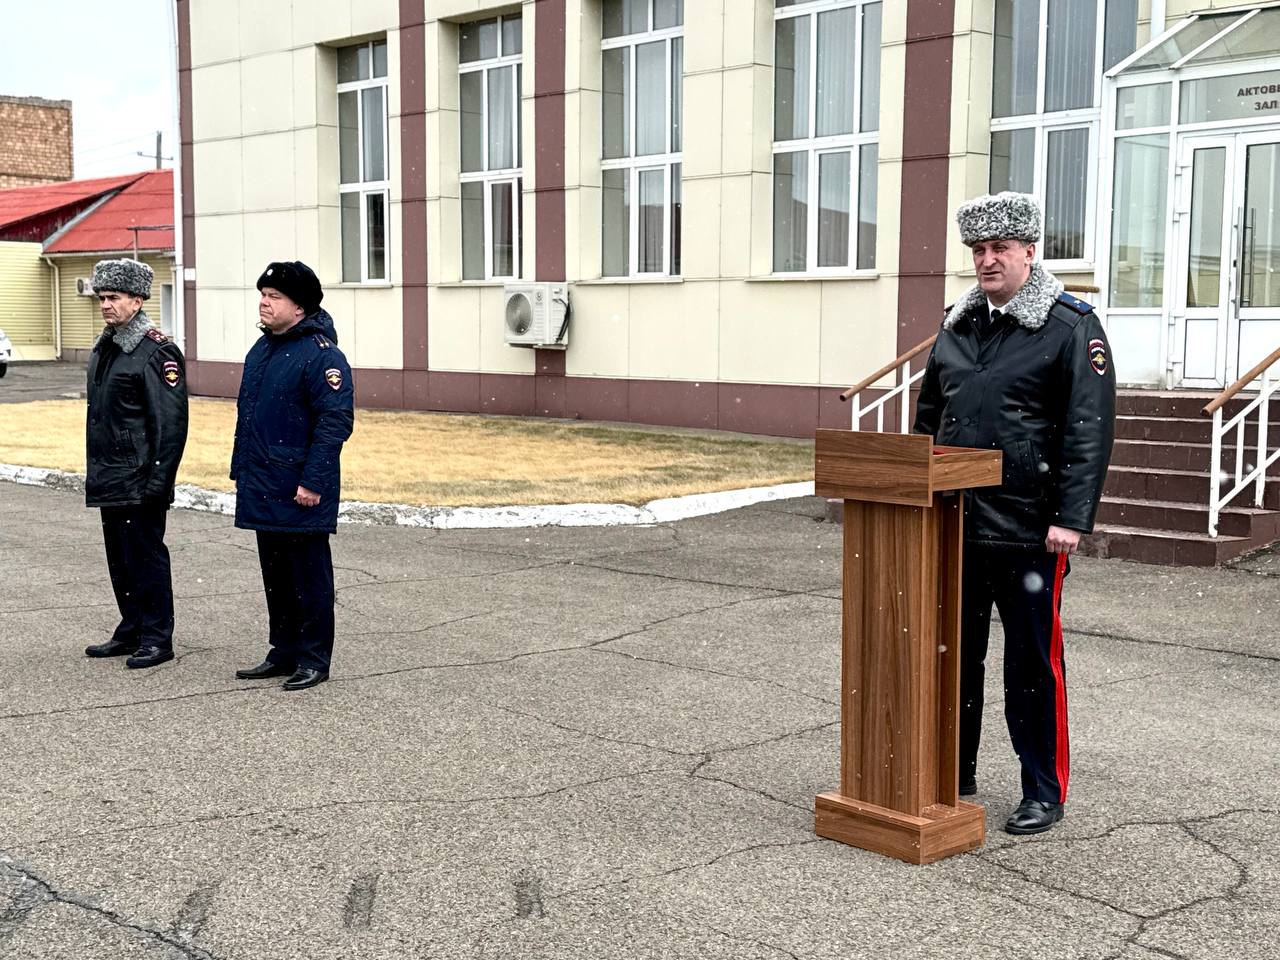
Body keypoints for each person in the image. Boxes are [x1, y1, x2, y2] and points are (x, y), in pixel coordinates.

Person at [913, 192, 1116, 835]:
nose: (986, 260)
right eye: (978, 249)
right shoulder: (957, 324)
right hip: (957, 524)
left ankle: (1042, 789)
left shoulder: (1068, 325)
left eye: (1000, 248)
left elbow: (1089, 426)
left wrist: (1071, 517)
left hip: (1030, 528)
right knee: (955, 654)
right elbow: (929, 416)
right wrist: (916, 487)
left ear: (1030, 252)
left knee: (1032, 663)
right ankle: (954, 770)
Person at [231, 261, 353, 691]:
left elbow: (335, 422)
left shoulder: (322, 356)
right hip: (263, 481)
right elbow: (249, 419)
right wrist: (241, 471)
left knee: (309, 577)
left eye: (274, 297)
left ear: (299, 307)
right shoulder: (261, 349)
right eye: (262, 294)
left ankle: (314, 658)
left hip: (299, 486)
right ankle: (282, 651)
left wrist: (314, 481)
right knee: (276, 575)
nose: (264, 303)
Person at [83, 258, 189, 669]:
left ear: (138, 299)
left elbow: (171, 423)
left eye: (113, 297)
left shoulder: (155, 351)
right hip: (111, 475)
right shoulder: (107, 346)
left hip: (141, 478)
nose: (105, 305)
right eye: (102, 297)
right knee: (120, 558)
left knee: (145, 556)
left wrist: (159, 481)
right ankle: (131, 628)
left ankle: (158, 637)